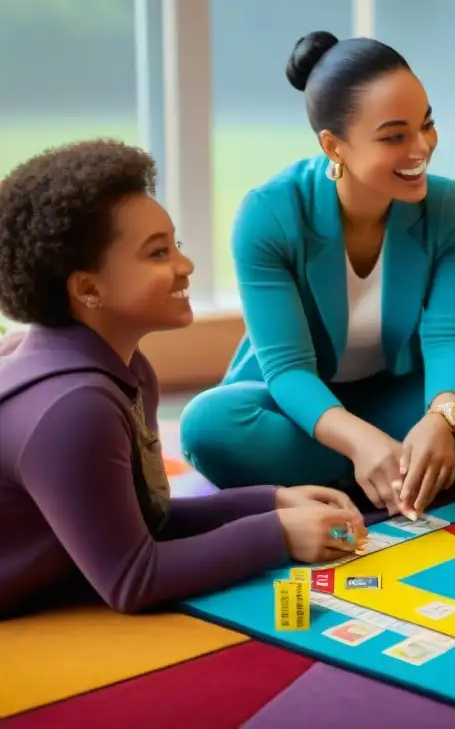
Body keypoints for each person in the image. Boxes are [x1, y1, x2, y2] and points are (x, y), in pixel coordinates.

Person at [179, 32, 455, 518]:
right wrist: (359, 443)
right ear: (334, 145)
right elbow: (288, 370)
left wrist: (442, 420)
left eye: (427, 124)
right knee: (209, 425)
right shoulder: (268, 214)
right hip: (297, 409)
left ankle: (370, 471)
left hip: (396, 395)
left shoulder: (450, 208)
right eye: (395, 136)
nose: (421, 148)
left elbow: (453, 336)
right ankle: (401, 470)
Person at [0, 140, 368, 618]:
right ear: (88, 288)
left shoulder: (126, 370)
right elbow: (133, 577)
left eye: (176, 245)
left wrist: (271, 501)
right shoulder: (73, 407)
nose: (185, 266)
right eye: (157, 254)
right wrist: (278, 534)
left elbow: (148, 519)